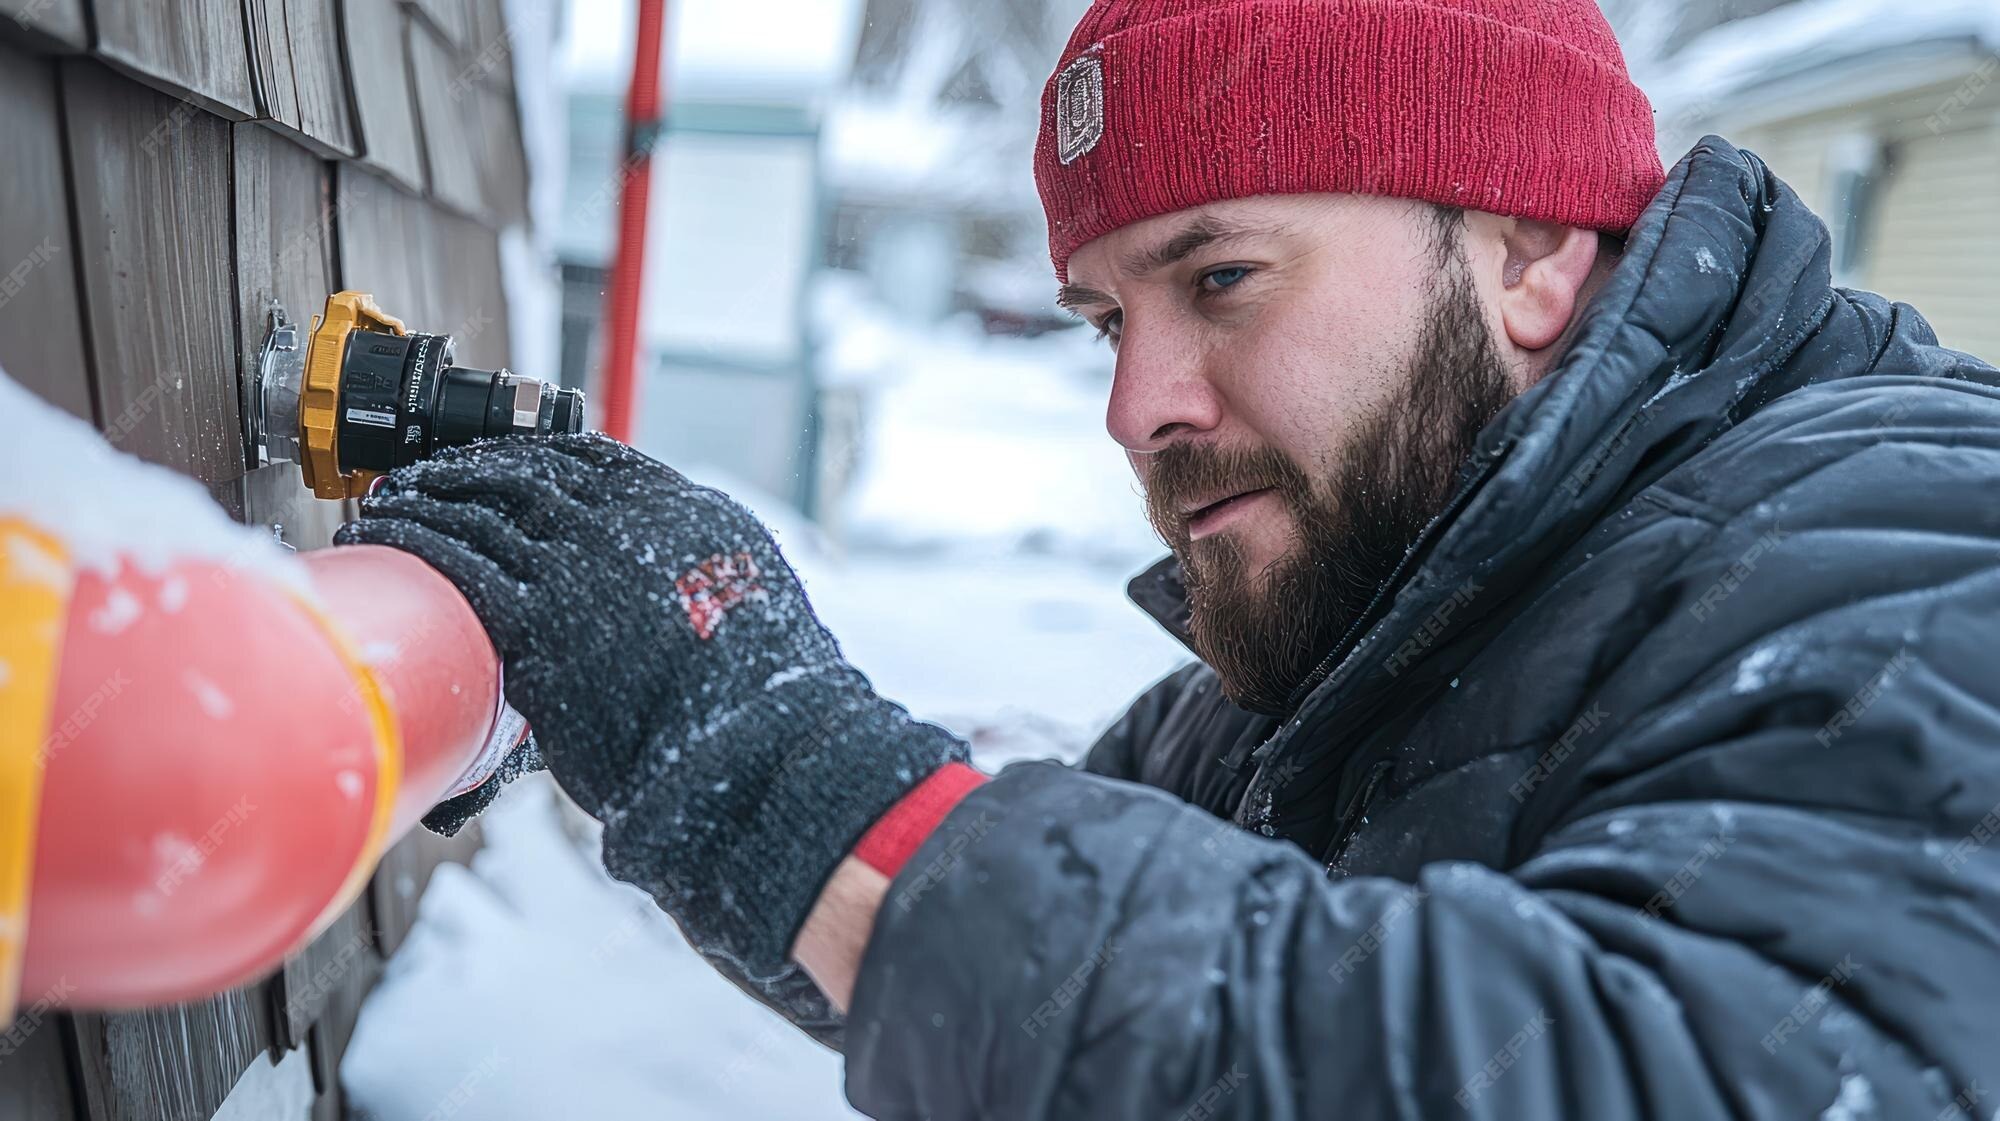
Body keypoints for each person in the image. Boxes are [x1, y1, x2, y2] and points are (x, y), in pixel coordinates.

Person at [338, 0, 2000, 1115]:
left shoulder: (1908, 552)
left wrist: (785, 778)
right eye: (1104, 321)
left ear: (1528, 252)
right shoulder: (1399, 606)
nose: (1137, 406)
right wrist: (663, 700)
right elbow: (1025, 949)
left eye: (1220, 280)